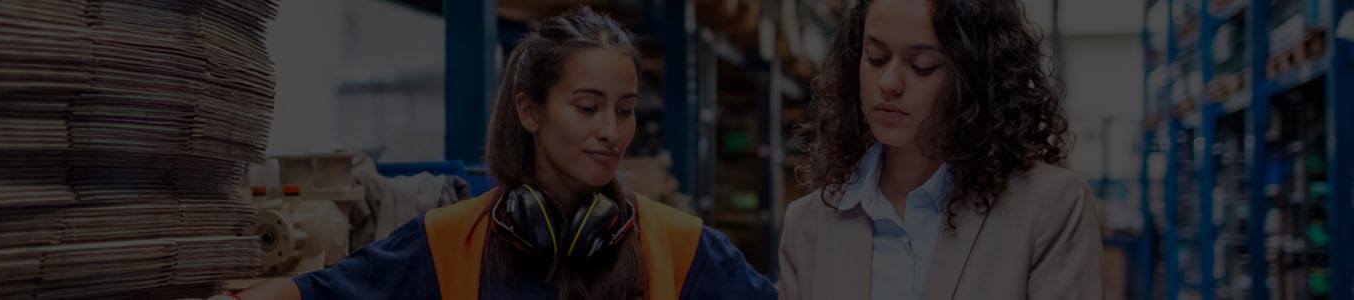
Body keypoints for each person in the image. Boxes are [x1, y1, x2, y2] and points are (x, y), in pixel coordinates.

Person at [240, 7, 776, 300]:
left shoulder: (681, 249)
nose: (612, 131)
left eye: (626, 109)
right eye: (588, 108)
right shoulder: (451, 242)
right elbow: (327, 293)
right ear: (529, 111)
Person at [776, 0, 1102, 299]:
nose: (889, 82)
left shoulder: (1051, 208)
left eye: (922, 65)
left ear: (974, 76)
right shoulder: (808, 225)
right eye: (875, 57)